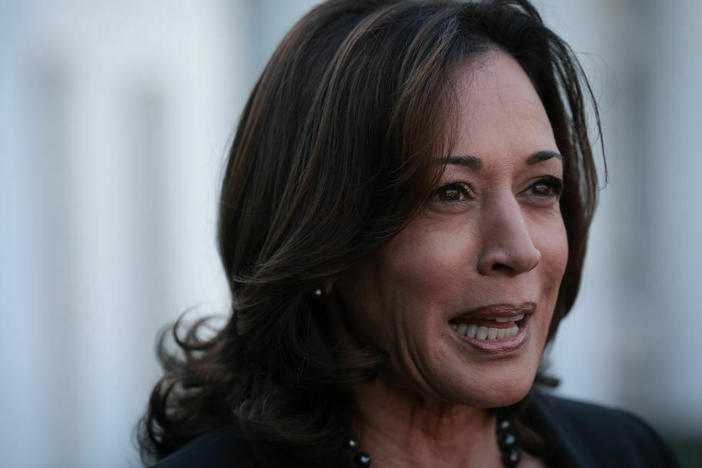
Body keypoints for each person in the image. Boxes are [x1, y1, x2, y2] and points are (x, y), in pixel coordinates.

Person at [138, 0, 680, 466]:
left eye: (540, 187)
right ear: (322, 241)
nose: (519, 250)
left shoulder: (627, 454)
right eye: (450, 193)